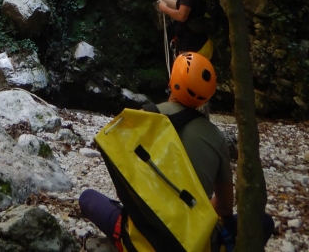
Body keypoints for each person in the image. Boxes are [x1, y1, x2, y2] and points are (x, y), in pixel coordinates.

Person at [79, 53, 274, 251]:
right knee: (264, 221)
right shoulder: (217, 138)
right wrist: (193, 209)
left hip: (142, 240)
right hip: (193, 244)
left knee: (87, 198)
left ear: (172, 82)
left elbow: (125, 188)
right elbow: (224, 208)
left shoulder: (138, 119)